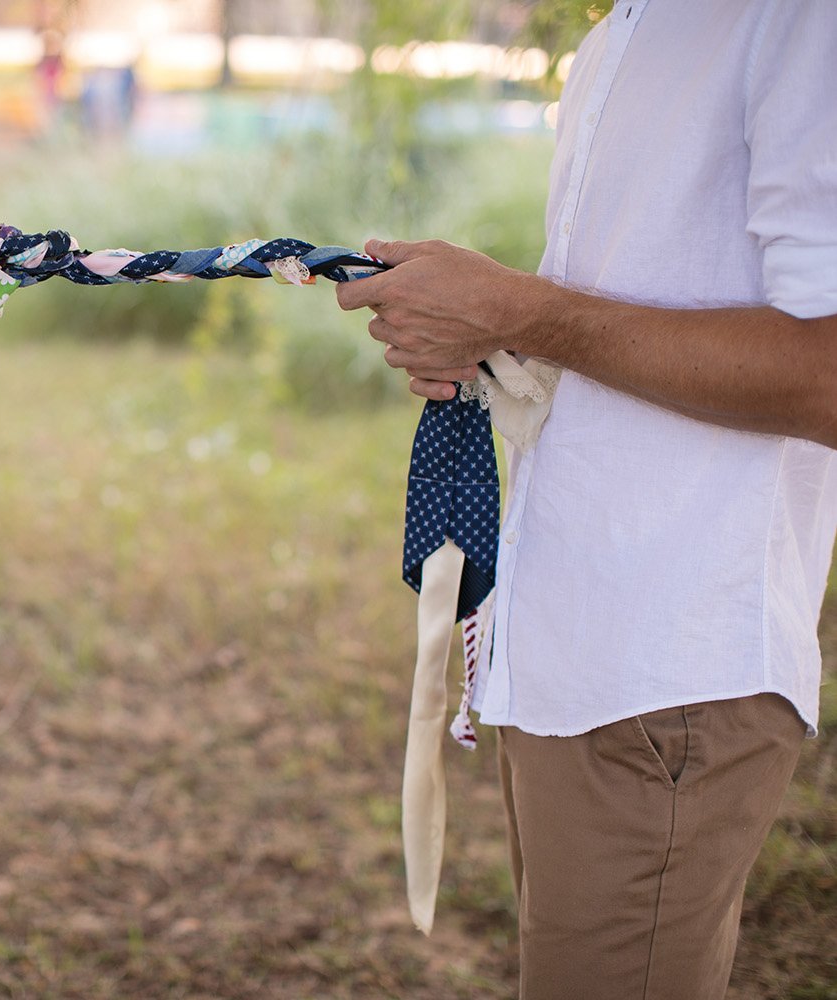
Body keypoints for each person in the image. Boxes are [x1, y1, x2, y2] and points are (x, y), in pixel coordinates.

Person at [337, 3, 835, 997]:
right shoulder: (626, 31)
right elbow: (625, 322)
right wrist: (495, 329)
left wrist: (523, 310)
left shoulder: (797, 20)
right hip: (573, 660)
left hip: (670, 681)